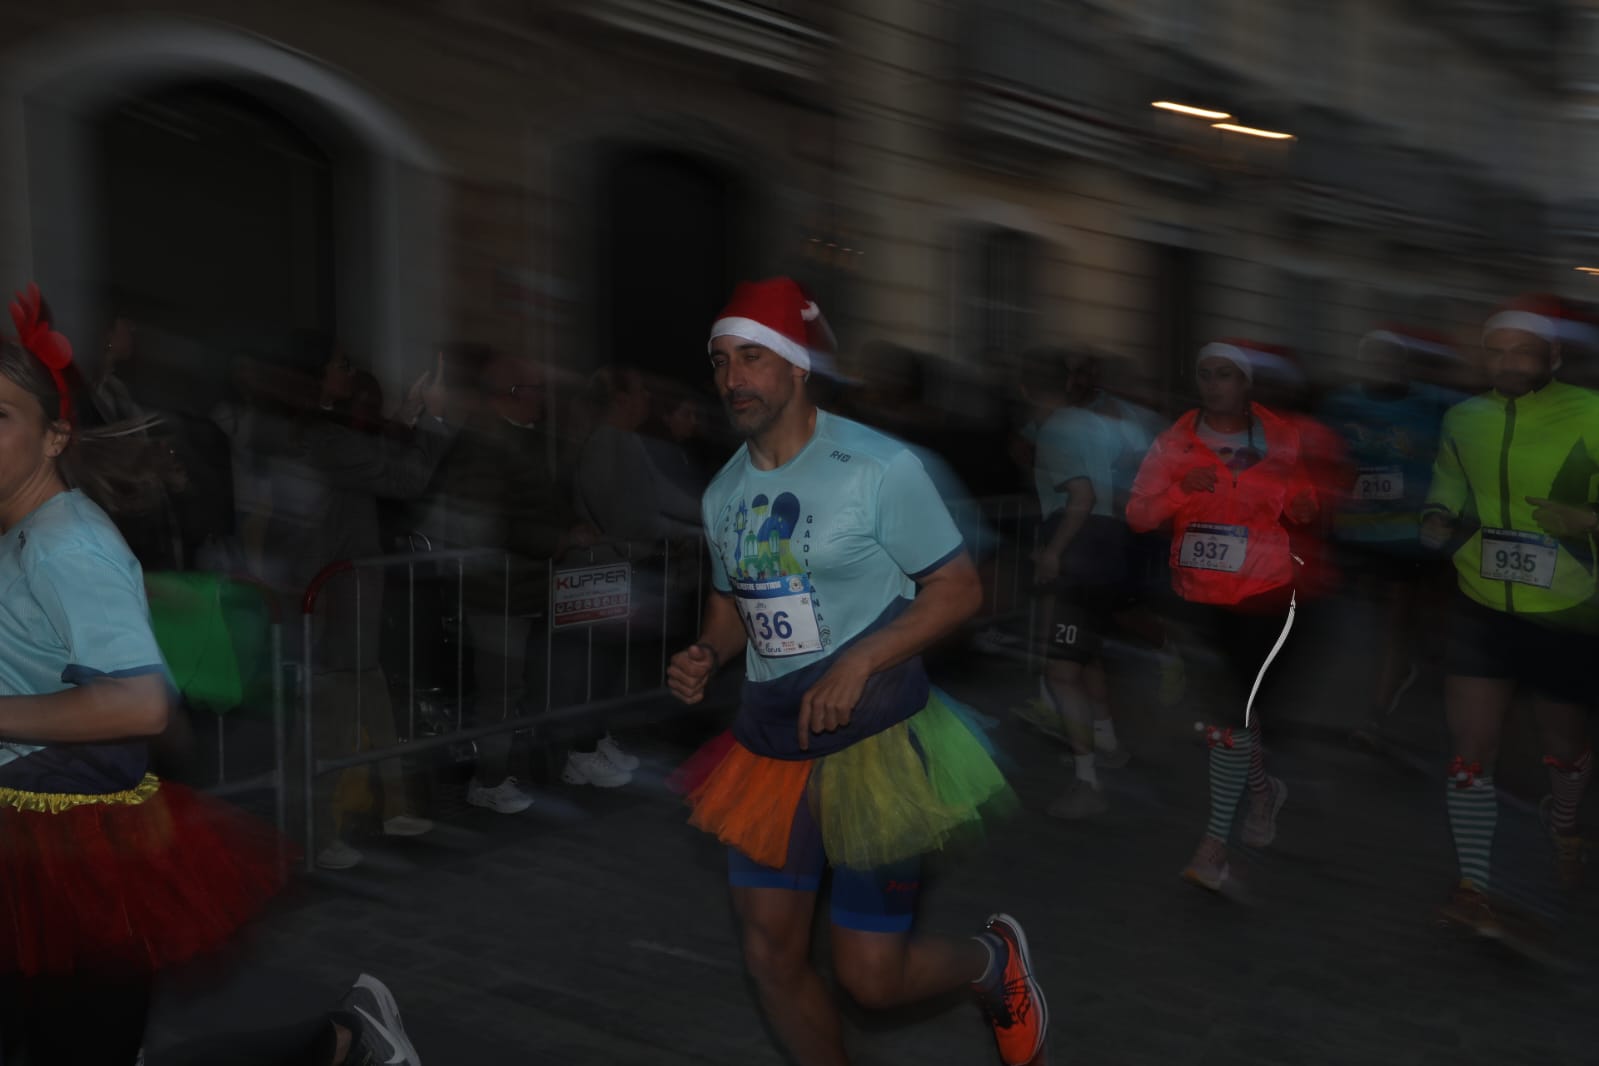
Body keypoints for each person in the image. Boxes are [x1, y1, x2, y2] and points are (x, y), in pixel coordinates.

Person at [667, 278, 1046, 1066]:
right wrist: (707, 651)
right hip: (767, 750)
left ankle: (992, 963)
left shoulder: (878, 468)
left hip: (873, 741)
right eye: (721, 360)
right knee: (771, 957)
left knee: (870, 981)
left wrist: (862, 658)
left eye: (753, 358)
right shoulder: (723, 492)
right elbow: (732, 604)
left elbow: (958, 589)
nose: (733, 378)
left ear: (798, 368)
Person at [0, 284, 285, 1063]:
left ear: (55, 436)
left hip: (73, 850)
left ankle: (334, 1044)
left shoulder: (67, 546)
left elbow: (137, 704)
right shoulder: (25, 529)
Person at [1422, 297, 1599, 931]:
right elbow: (1448, 479)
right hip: (1480, 604)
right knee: (1470, 748)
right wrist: (1436, 516)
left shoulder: (1593, 414)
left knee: (1565, 746)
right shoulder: (1464, 417)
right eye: (1496, 351)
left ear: (1552, 356)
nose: (1507, 363)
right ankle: (1473, 883)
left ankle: (1566, 822)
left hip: (1567, 608)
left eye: (1522, 351)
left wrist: (1588, 519)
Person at [1127, 338, 1316, 896]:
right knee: (1230, 718)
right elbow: (1138, 515)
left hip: (1262, 594)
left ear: (1247, 383)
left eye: (1226, 374)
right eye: (1205, 373)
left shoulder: (1280, 437)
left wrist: (1304, 506)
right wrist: (1182, 489)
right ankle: (1262, 793)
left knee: (1230, 720)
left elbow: (1299, 495)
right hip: (1196, 597)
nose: (1214, 384)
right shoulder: (1174, 442)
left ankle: (1212, 846)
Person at [1321, 326, 1460, 736]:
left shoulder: (1435, 404)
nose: (1385, 367)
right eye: (1376, 359)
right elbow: (1326, 455)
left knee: (1399, 619)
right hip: (1359, 534)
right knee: (1380, 620)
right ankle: (1419, 658)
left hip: (1415, 537)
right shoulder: (1342, 404)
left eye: (1392, 360)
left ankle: (1378, 713)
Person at [1028, 353, 1129, 819]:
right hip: (1109, 544)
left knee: (1061, 672)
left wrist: (1053, 551)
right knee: (1086, 654)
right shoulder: (1093, 423)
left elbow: (1081, 496)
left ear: (1028, 391)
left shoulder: (1053, 430)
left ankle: (1087, 784)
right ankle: (1106, 737)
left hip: (1080, 547)